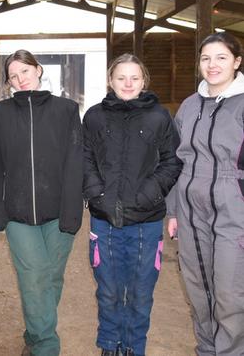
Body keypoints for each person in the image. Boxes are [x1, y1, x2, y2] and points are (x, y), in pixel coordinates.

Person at [0, 50, 83, 356]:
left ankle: (35, 333)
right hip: (17, 213)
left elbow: (75, 162)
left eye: (24, 71)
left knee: (51, 277)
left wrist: (73, 209)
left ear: (37, 70)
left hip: (59, 211)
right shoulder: (0, 113)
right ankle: (46, 347)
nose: (20, 79)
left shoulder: (65, 110)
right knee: (33, 277)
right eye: (13, 76)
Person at [82, 54, 182, 356]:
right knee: (109, 290)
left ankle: (133, 347)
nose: (128, 83)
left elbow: (172, 160)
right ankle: (110, 345)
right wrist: (97, 194)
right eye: (121, 77)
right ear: (110, 81)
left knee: (140, 292)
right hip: (104, 219)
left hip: (146, 222)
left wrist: (147, 195)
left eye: (134, 78)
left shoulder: (159, 116)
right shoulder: (95, 116)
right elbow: (84, 158)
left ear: (144, 82)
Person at [167, 31, 244, 355]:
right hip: (190, 207)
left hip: (233, 207)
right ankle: (207, 350)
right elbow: (174, 160)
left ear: (237, 62)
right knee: (199, 290)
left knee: (229, 293)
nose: (212, 65)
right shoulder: (189, 105)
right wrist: (172, 210)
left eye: (221, 57)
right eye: (206, 58)